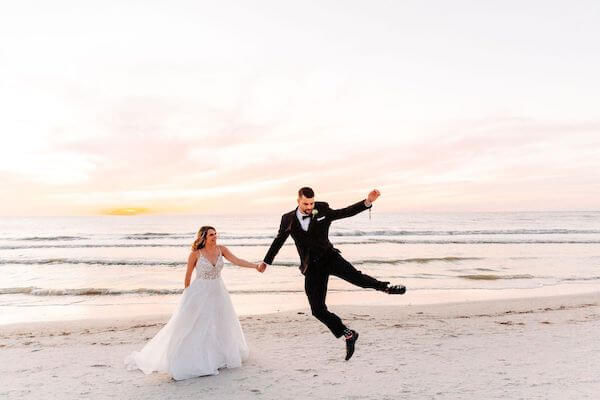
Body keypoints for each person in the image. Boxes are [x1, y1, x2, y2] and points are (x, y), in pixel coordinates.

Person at [258, 187, 406, 361]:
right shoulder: (287, 219)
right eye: (305, 203)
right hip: (312, 267)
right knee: (317, 310)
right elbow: (278, 241)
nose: (309, 206)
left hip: (330, 258)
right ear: (298, 201)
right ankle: (348, 334)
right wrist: (266, 261)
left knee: (358, 279)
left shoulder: (321, 209)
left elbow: (344, 213)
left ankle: (386, 288)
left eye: (311, 203)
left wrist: (367, 202)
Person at [125, 226, 262, 380]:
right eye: (211, 234)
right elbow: (188, 275)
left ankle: (217, 356)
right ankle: (195, 358)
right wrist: (187, 296)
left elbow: (237, 261)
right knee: (198, 325)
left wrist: (255, 266)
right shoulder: (195, 254)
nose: (215, 236)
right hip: (200, 292)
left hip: (218, 292)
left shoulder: (221, 249)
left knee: (220, 323)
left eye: (215, 234)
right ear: (203, 237)